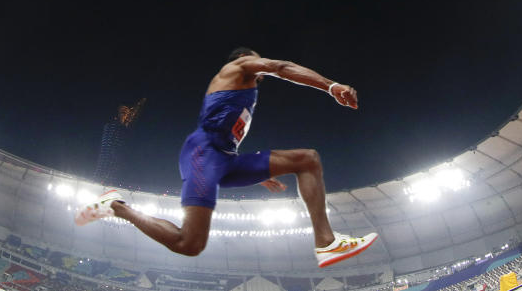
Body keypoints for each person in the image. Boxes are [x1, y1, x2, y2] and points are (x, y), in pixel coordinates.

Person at [76, 48, 378, 268]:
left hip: (225, 158)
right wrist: (331, 86)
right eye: (258, 62)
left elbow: (227, 136)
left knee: (307, 159)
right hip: (202, 153)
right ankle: (116, 207)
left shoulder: (246, 94)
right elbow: (281, 65)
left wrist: (261, 174)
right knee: (189, 244)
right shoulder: (239, 67)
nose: (261, 69)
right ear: (245, 59)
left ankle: (326, 243)